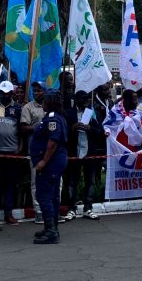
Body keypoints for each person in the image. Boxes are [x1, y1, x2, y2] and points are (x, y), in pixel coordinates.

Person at [29, 91, 68, 244]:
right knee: (51, 196)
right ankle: (50, 227)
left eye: (44, 100)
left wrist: (43, 162)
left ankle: (52, 232)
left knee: (44, 196)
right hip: (54, 162)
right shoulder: (52, 117)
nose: (42, 103)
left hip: (51, 163)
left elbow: (53, 142)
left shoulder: (53, 118)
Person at [62, 90, 105, 221]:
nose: (86, 101)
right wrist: (72, 127)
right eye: (83, 99)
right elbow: (62, 132)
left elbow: (100, 131)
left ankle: (88, 208)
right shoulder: (68, 113)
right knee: (71, 182)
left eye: (87, 99)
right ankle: (71, 209)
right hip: (74, 153)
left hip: (89, 153)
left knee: (90, 181)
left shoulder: (92, 113)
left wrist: (89, 129)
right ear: (76, 99)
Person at [0, 80, 22, 225]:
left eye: (7, 93)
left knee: (10, 184)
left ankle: (9, 213)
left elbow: (21, 130)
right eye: (2, 93)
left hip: (12, 152)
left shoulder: (18, 108)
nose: (4, 95)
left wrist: (20, 147)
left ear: (11, 94)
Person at [20, 82, 46, 224]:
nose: (37, 93)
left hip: (51, 149)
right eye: (35, 91)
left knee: (54, 181)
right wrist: (40, 127)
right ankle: (39, 212)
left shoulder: (50, 106)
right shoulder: (28, 107)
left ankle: (52, 210)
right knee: (36, 182)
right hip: (35, 150)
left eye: (39, 90)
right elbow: (24, 128)